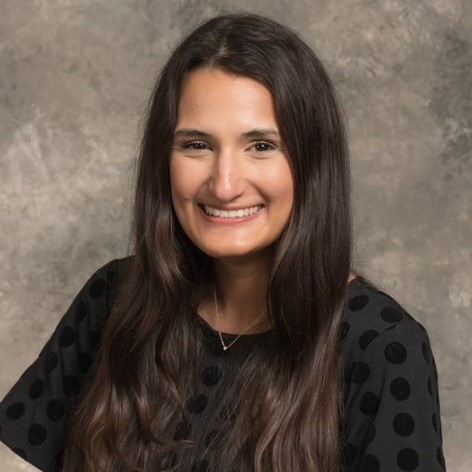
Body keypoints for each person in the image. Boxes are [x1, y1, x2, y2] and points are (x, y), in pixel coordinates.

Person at [0, 12, 446, 472]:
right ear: (163, 159)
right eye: (196, 145)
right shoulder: (113, 297)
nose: (225, 184)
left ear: (312, 163)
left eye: (261, 146)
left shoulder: (384, 346)